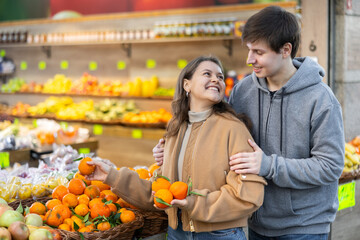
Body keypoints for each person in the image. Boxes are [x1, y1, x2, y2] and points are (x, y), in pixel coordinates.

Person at [153, 6, 345, 240]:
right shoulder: (243, 91)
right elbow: (220, 141)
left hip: (304, 226)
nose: (249, 59)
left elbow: (330, 166)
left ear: (286, 50)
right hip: (255, 222)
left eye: (258, 52)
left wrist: (269, 166)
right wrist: (172, 152)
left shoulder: (321, 99)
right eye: (249, 50)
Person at [87, 56, 266, 240]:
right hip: (177, 232)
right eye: (207, 74)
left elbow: (248, 195)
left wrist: (194, 203)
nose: (216, 79)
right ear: (186, 85)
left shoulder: (233, 128)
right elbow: (161, 189)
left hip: (220, 234)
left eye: (220, 77)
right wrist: (111, 176)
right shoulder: (175, 128)